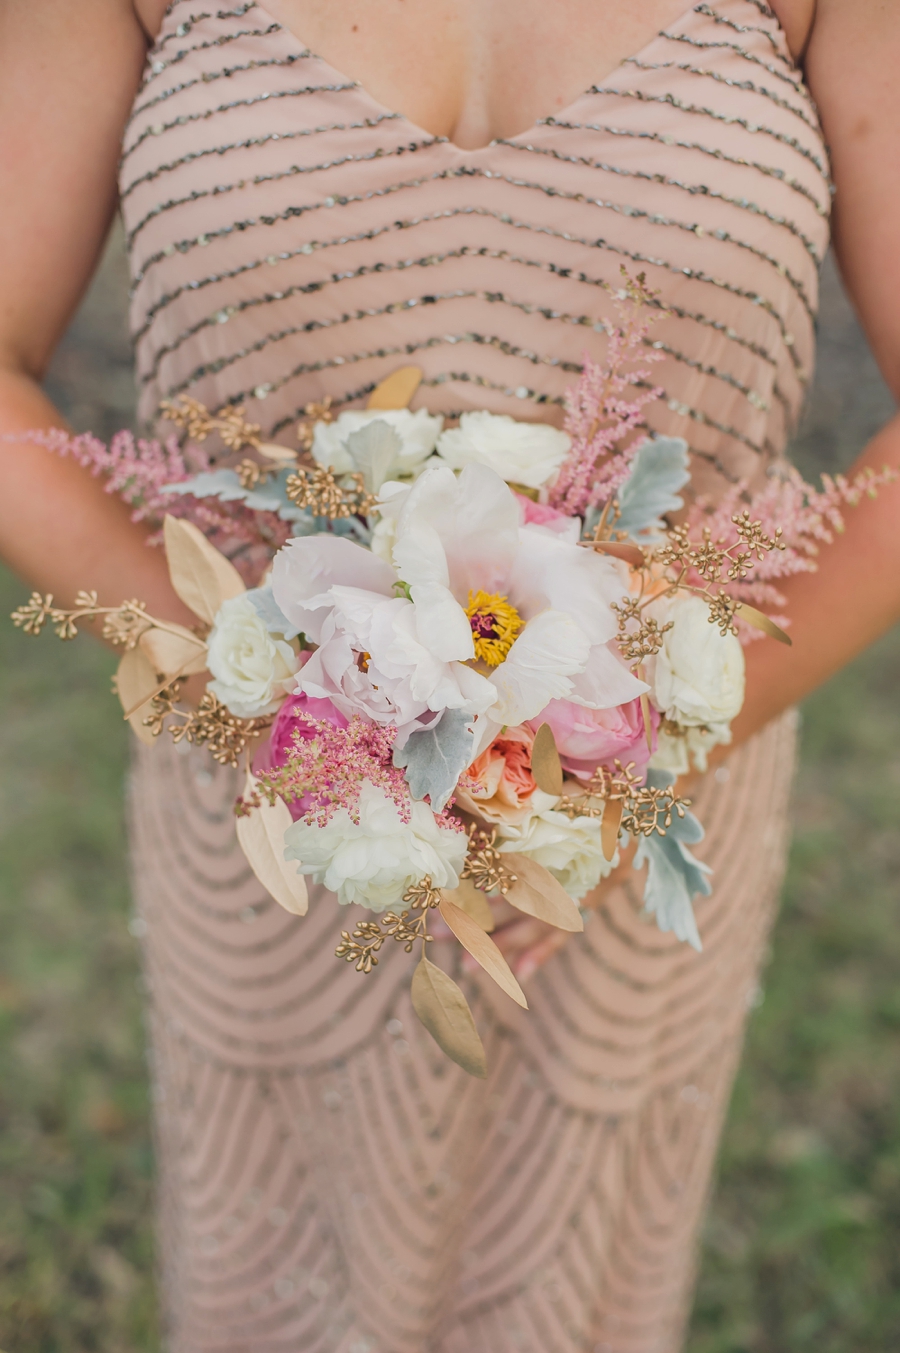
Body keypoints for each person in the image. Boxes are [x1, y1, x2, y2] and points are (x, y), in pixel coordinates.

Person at [1, 1, 898, 1348]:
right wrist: (279, 702)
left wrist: (624, 751)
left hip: (640, 817)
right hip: (285, 824)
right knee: (274, 1287)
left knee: (577, 1288)